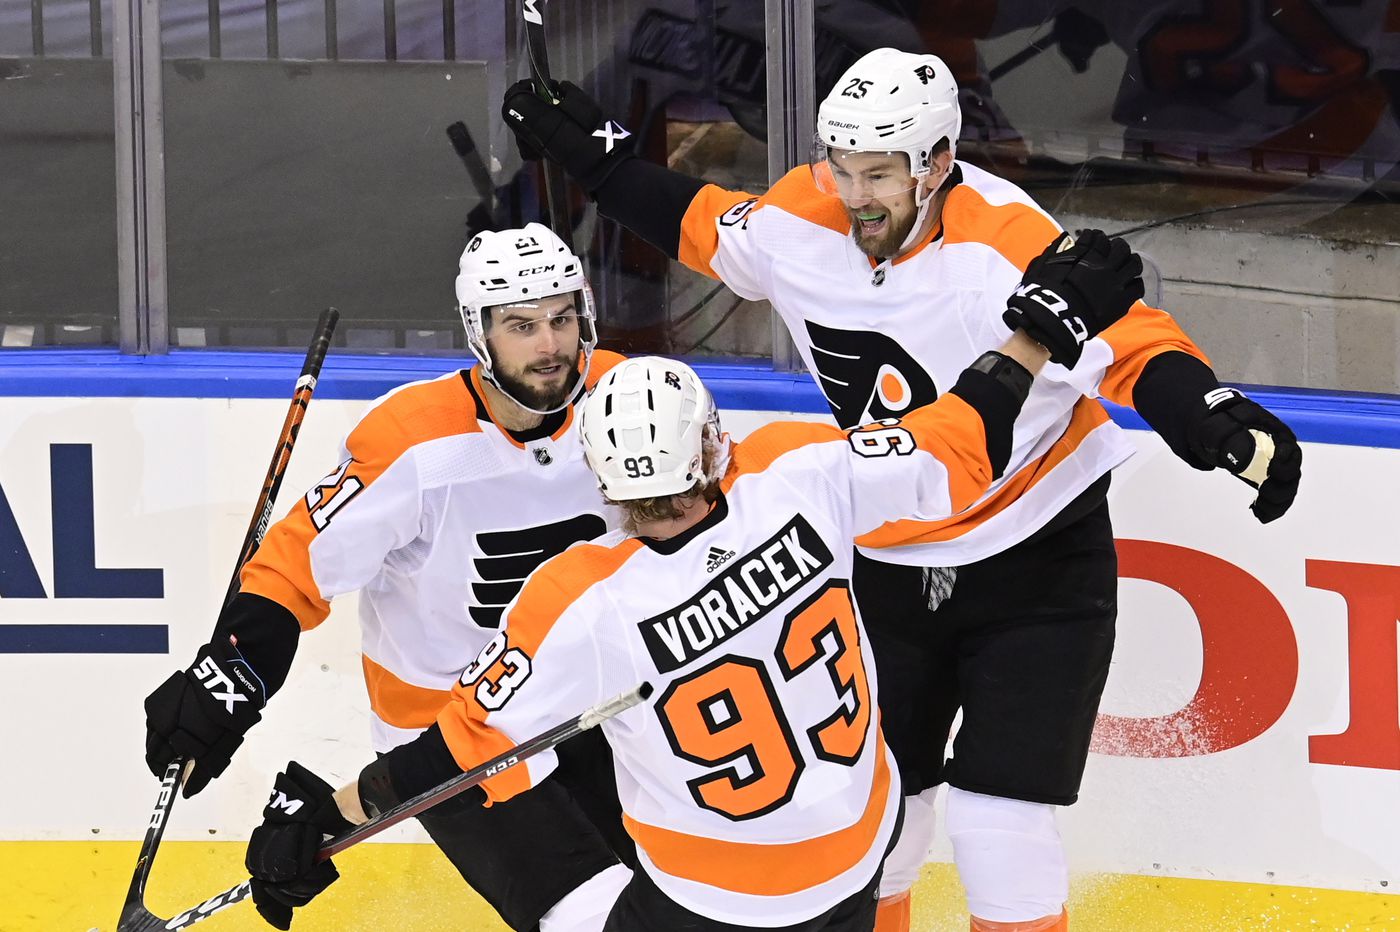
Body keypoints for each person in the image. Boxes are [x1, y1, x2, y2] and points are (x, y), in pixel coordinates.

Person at [499, 47, 1303, 932]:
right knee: (889, 823)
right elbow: (698, 224)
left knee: (1002, 823)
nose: (851, 195)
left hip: (1034, 550)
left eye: (877, 174)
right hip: (883, 554)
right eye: (838, 167)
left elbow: (1136, 342)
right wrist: (596, 156)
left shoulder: (1003, 241)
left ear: (939, 164)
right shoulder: (802, 216)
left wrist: (1216, 418)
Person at [237, 232, 1144, 930]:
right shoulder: (797, 474)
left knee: (567, 904)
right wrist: (1036, 332)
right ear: (714, 444)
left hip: (710, 905)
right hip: (860, 856)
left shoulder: (586, 601)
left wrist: (325, 818)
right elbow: (956, 451)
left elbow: (458, 753)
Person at [142, 223, 637, 931]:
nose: (550, 346)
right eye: (522, 325)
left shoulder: (626, 400)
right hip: (457, 737)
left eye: (562, 318)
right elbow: (292, 569)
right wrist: (229, 679)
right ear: (480, 333)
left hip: (598, 705)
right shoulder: (411, 442)